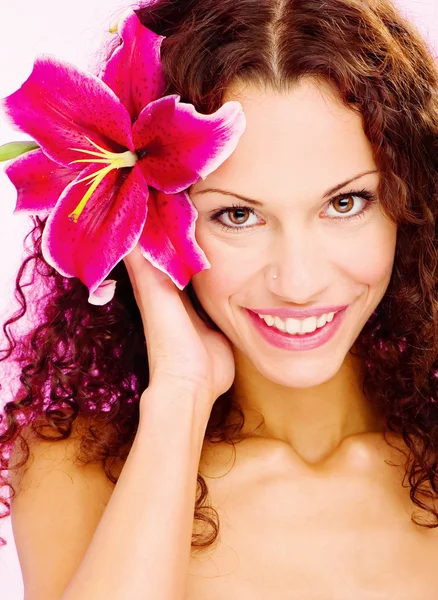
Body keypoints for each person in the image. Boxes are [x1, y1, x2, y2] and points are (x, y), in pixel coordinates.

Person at [1, 0, 438, 598]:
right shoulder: (72, 468)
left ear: (412, 205)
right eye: (237, 214)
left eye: (345, 203)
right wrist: (181, 393)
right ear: (154, 221)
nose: (299, 280)